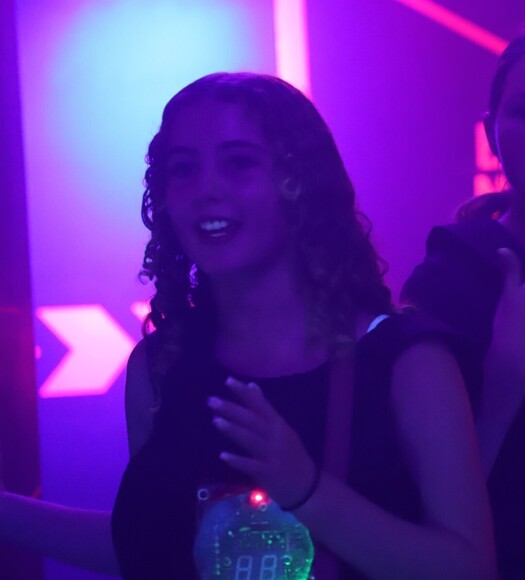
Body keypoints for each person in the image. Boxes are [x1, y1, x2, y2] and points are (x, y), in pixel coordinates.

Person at [0, 72, 495, 579]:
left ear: (300, 184)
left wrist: (307, 491)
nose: (206, 190)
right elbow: (149, 543)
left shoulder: (408, 362)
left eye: (238, 163)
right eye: (183, 169)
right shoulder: (160, 366)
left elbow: (470, 569)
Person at [401, 32, 525, 579]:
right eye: (524, 111)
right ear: (492, 131)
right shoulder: (448, 278)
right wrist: (503, 384)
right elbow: (415, 514)